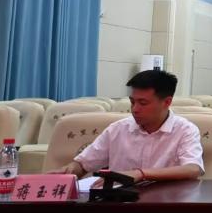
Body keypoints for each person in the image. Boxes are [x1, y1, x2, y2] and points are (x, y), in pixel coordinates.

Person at [59, 70, 203, 182]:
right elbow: (83, 164)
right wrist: (70, 169)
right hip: (120, 203)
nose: (135, 109)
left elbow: (192, 169)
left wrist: (140, 174)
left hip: (165, 203)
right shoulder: (117, 129)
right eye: (132, 102)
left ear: (167, 102)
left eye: (143, 103)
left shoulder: (185, 130)